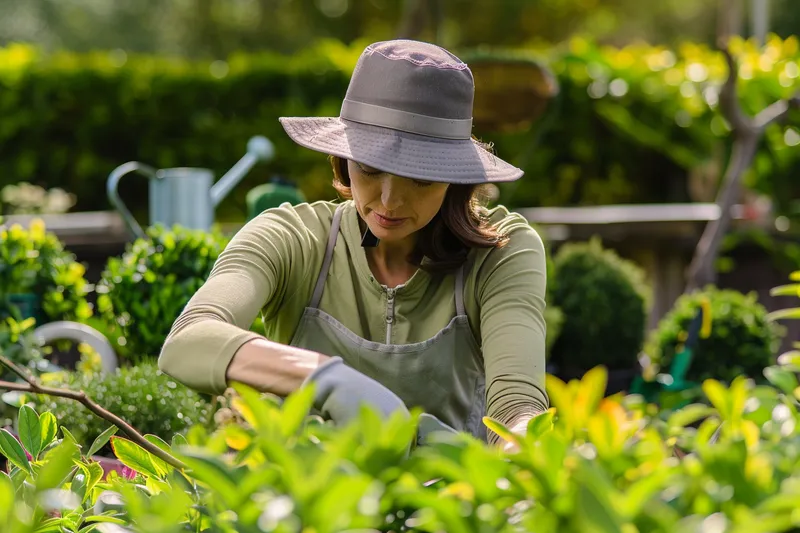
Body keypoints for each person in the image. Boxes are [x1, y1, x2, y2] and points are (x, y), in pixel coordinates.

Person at [158, 39, 549, 450]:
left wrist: (519, 467)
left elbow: (517, 406)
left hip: (447, 504)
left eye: (421, 178)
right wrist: (326, 379)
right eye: (370, 169)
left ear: (456, 178)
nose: (388, 201)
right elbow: (189, 340)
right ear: (343, 160)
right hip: (298, 505)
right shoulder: (293, 238)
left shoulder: (501, 252)